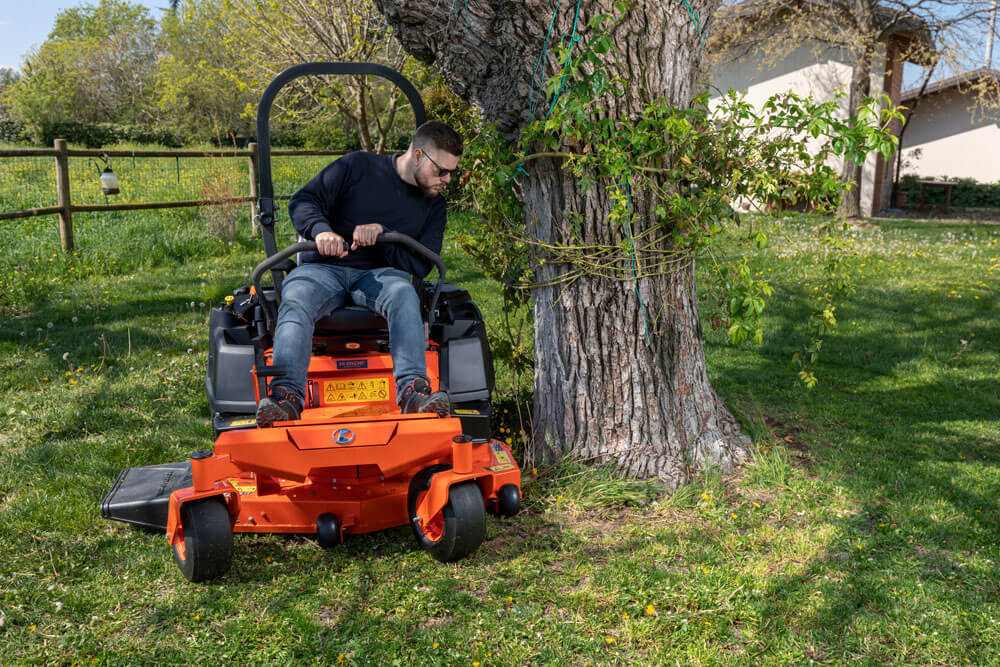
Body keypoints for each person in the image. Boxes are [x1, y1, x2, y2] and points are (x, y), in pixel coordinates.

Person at [255, 120, 463, 427]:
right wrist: (322, 231)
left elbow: (420, 264)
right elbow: (304, 201)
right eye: (440, 170)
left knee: (404, 294)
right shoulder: (357, 167)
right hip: (323, 268)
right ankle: (286, 398)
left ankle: (414, 394)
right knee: (296, 296)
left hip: (380, 276)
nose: (446, 179)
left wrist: (384, 234)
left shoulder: (434, 207)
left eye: (451, 173)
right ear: (418, 156)